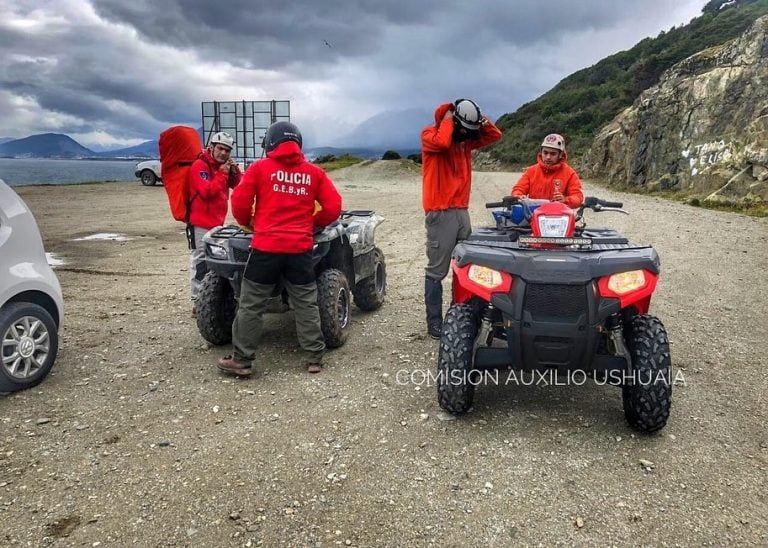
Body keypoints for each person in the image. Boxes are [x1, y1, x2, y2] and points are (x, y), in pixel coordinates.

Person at [217, 121, 342, 377]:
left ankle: (242, 360)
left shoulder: (260, 168)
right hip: (300, 249)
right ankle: (314, 358)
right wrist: (311, 223)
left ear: (270, 143)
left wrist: (249, 223)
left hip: (266, 248)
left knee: (251, 304)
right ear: (298, 143)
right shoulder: (314, 173)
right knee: (306, 303)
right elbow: (333, 207)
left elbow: (239, 202)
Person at [421, 98, 502, 339]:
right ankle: (434, 323)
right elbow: (443, 142)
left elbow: (495, 134)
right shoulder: (430, 135)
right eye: (465, 129)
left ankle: (463, 313)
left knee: (467, 265)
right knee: (437, 271)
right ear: (453, 122)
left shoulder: (464, 143)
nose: (468, 135)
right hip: (441, 211)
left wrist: (477, 117)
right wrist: (448, 118)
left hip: (461, 211)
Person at [188, 131, 242, 316]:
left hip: (218, 223)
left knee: (215, 261)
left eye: (227, 150)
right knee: (200, 260)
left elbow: (239, 185)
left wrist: (234, 172)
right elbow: (207, 192)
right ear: (211, 147)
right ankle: (197, 300)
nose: (223, 153)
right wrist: (222, 174)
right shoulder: (199, 166)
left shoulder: (223, 167)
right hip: (200, 223)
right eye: (220, 148)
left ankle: (213, 298)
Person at [511, 133, 584, 208]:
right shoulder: (531, 171)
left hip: (559, 215)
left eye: (553, 154)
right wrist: (519, 196)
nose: (548, 157)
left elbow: (578, 196)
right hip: (534, 214)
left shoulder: (569, 173)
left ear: (560, 155)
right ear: (541, 152)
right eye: (545, 153)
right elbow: (519, 189)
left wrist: (565, 200)